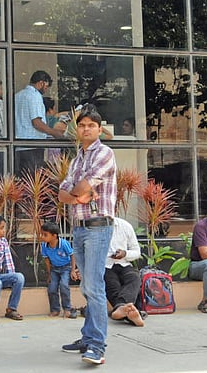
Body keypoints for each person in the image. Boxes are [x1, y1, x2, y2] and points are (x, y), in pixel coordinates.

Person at [58, 104, 117, 366]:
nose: (86, 129)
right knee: (86, 286)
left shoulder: (104, 153)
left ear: (99, 129)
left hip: (98, 227)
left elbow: (81, 187)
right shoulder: (77, 158)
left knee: (94, 286)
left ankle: (96, 346)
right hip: (79, 228)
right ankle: (87, 336)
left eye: (91, 125)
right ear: (77, 128)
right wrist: (78, 195)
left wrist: (78, 192)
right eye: (82, 125)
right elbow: (63, 193)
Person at [13, 70, 66, 174]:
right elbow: (37, 123)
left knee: (22, 180)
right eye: (46, 86)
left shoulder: (18, 95)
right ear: (41, 83)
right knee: (33, 181)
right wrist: (55, 133)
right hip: (33, 145)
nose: (46, 90)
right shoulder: (35, 96)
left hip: (17, 145)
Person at [104, 217, 144, 326]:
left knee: (134, 277)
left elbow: (136, 251)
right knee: (111, 283)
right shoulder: (95, 227)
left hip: (124, 263)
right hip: (105, 265)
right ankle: (133, 313)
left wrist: (125, 253)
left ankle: (121, 308)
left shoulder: (125, 226)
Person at [40, 220, 78, 318]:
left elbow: (72, 255)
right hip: (54, 269)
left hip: (66, 268)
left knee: (64, 286)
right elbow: (47, 260)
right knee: (52, 288)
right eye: (42, 234)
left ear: (54, 236)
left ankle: (67, 309)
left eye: (45, 235)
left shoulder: (64, 244)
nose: (42, 237)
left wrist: (73, 270)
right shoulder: (44, 245)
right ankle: (55, 309)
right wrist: (49, 274)